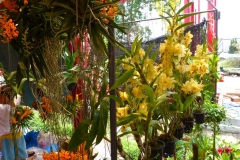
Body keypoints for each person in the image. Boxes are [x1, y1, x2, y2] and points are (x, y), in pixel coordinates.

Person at [0, 85, 28, 160]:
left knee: (8, 158)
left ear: (3, 97)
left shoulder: (1, 108)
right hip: (18, 134)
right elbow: (18, 95)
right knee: (21, 157)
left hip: (6, 137)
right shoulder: (16, 106)